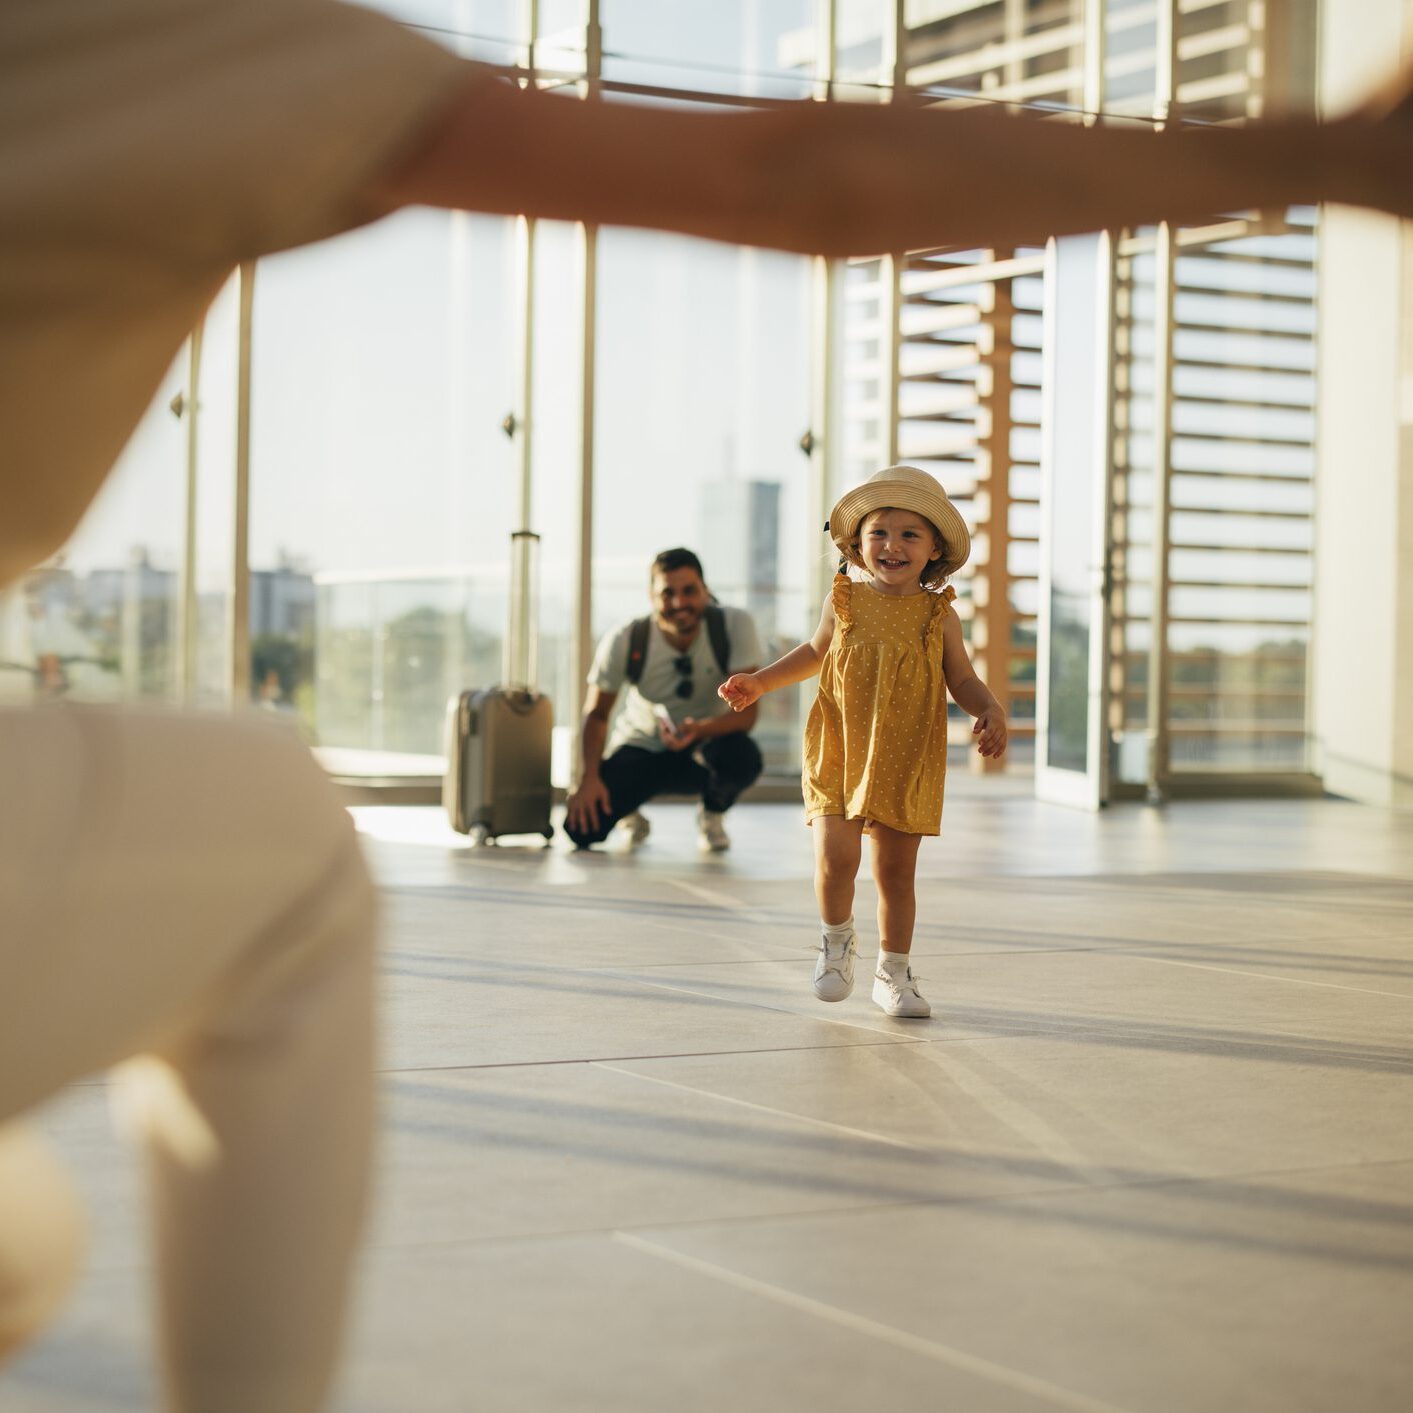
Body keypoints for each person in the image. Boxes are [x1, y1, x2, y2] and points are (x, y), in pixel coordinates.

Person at [4, 1, 1413, 1406]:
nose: (897, 550)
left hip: (853, 748)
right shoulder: (184, 40)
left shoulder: (915, 610)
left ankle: (874, 947)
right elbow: (791, 179)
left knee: (29, 1247)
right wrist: (1324, 155)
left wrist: (961, 709)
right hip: (790, 743)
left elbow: (942, 664)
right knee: (270, 829)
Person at [719, 467, 1008, 1018]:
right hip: (842, 746)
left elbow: (962, 678)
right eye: (879, 531)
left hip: (906, 754)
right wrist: (759, 682)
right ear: (857, 543)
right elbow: (812, 653)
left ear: (934, 550)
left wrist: (989, 707)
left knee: (896, 872)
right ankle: (835, 943)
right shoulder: (845, 599)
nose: (892, 545)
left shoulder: (938, 614)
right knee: (836, 858)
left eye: (909, 535)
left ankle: (893, 972)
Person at [564, 549, 763, 853]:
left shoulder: (734, 626)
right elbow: (597, 714)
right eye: (667, 593)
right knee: (581, 831)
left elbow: (747, 715)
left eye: (689, 591)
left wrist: (698, 729)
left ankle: (712, 813)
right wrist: (587, 779)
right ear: (651, 596)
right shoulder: (626, 638)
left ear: (705, 590)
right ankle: (629, 815)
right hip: (642, 749)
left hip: (703, 749)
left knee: (743, 757)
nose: (679, 603)